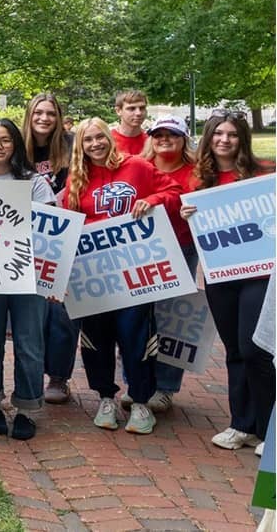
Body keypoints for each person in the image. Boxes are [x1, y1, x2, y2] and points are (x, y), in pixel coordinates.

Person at [60, 118, 182, 435]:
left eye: (100, 137)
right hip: (94, 274)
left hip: (135, 271)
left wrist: (152, 200)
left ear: (109, 137)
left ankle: (140, 401)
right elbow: (66, 220)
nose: (95, 144)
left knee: (135, 335)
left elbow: (174, 190)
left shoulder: (138, 166)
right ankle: (105, 397)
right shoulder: (77, 177)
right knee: (96, 338)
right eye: (87, 140)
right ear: (80, 146)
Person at [180, 112, 273, 454]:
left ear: (242, 139)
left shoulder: (264, 173)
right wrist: (185, 214)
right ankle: (241, 425)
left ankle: (268, 430)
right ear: (208, 138)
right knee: (235, 350)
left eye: (232, 134)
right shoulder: (199, 180)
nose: (224, 140)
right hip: (220, 276)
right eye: (218, 133)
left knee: (255, 350)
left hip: (259, 275)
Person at [0, 119, 56, 440]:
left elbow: (50, 233)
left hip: (27, 276)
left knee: (29, 342)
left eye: (5, 140)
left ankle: (28, 408)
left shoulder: (35, 183)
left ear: (16, 143)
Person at [133, 116, 198, 414]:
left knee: (172, 318)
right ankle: (137, 382)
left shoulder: (197, 172)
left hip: (182, 249)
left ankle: (166, 388)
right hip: (142, 251)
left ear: (183, 138)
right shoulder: (138, 167)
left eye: (171, 134)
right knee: (138, 317)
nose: (164, 139)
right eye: (158, 134)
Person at [20, 93, 77, 405]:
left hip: (62, 235)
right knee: (31, 312)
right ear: (30, 116)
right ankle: (28, 376)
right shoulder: (18, 146)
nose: (44, 118)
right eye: (38, 113)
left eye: (50, 113)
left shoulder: (70, 145)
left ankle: (58, 377)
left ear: (58, 117)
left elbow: (84, 178)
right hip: (26, 235)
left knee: (63, 310)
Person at [111, 90, 148, 156]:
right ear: (118, 111)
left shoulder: (151, 141)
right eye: (131, 108)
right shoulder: (108, 140)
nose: (138, 113)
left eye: (142, 108)